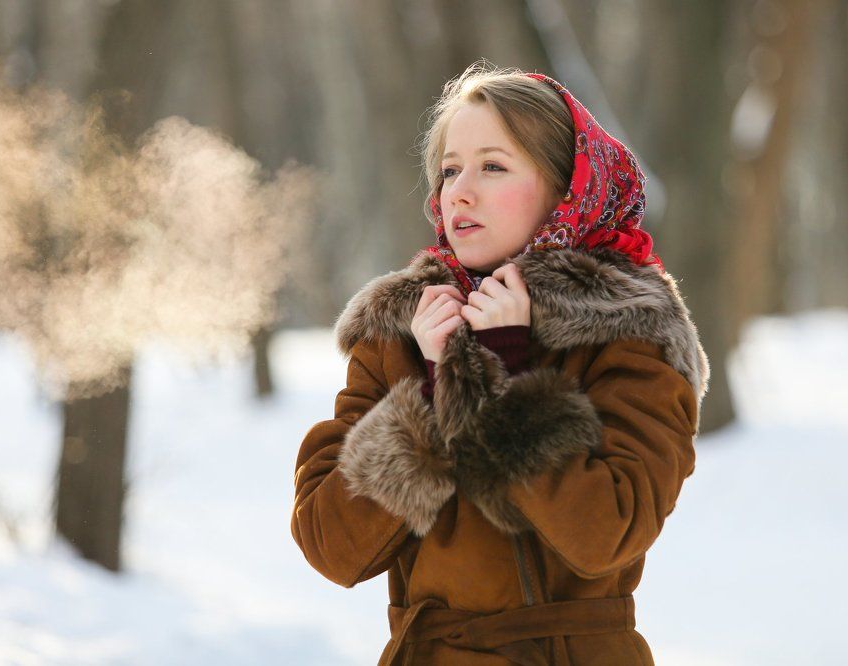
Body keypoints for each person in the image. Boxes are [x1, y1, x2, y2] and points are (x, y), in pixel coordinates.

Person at [290, 62, 709, 666]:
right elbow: (333, 547)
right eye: (450, 169)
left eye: (493, 166)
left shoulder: (629, 333)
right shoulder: (402, 331)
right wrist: (432, 399)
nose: (459, 190)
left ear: (567, 187)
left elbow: (607, 532)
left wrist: (507, 382)